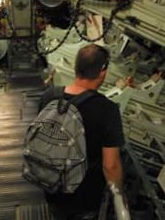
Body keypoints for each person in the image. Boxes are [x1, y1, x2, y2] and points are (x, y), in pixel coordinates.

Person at [39, 44, 125, 219]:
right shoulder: (107, 109)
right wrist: (120, 199)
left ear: (76, 67)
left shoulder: (49, 96)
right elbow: (110, 166)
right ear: (102, 72)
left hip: (52, 185)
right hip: (85, 195)